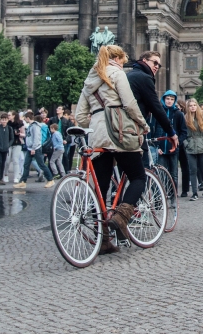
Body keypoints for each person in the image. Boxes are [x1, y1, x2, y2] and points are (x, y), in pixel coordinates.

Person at [75, 45, 149, 256]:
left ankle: (103, 240)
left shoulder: (89, 80)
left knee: (100, 188)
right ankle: (121, 217)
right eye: (122, 61)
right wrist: (143, 124)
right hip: (119, 131)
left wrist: (95, 121)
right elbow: (130, 104)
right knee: (138, 177)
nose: (123, 64)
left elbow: (80, 116)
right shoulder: (117, 73)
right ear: (116, 58)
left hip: (97, 134)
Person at [152, 90, 188, 192]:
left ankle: (173, 196)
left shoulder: (178, 114)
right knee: (161, 174)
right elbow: (154, 130)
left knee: (174, 174)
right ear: (164, 99)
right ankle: (162, 195)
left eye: (172, 99)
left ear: (174, 100)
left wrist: (177, 143)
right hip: (161, 149)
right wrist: (156, 146)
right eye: (167, 99)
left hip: (173, 149)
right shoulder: (158, 113)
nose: (169, 101)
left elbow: (184, 132)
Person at [15, 111, 55, 189]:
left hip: (35, 148)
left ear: (27, 118)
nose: (24, 120)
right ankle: (23, 181)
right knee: (26, 164)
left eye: (25, 118)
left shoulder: (35, 126)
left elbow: (36, 138)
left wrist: (33, 148)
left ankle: (50, 179)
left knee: (41, 164)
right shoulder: (31, 126)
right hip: (30, 148)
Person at [184, 98, 203, 200]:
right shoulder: (185, 118)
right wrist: (186, 143)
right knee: (192, 170)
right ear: (188, 107)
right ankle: (194, 193)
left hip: (202, 147)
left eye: (194, 105)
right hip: (190, 146)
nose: (193, 107)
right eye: (190, 105)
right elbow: (182, 133)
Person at [9, 112, 24, 183]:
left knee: (15, 160)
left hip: (17, 142)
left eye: (9, 115)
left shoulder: (20, 123)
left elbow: (24, 134)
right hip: (9, 143)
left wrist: (19, 133)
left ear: (13, 116)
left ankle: (16, 176)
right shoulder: (7, 123)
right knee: (7, 161)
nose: (8, 116)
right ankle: (5, 175)